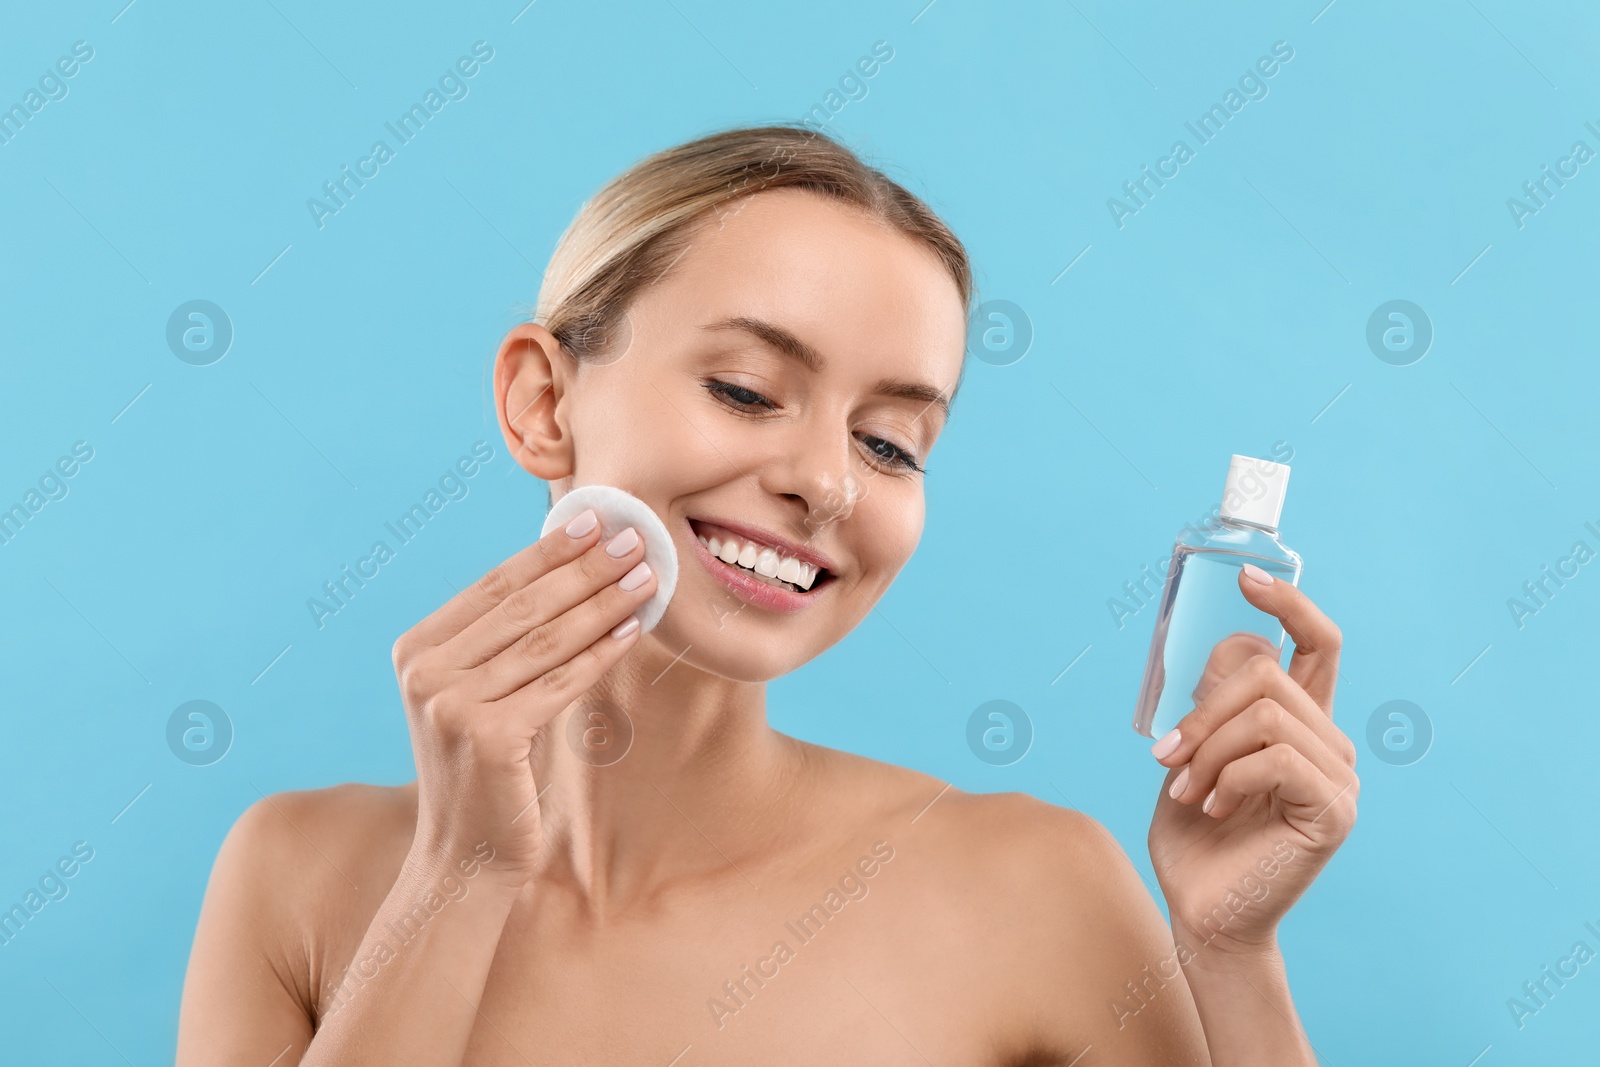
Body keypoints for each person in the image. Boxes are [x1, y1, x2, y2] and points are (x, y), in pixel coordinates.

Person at [176, 123, 1357, 1065]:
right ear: (544, 402)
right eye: (746, 389)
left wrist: (1229, 950)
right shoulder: (296, 877)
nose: (827, 482)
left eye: (892, 443)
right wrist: (459, 878)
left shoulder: (1032, 889)